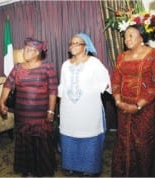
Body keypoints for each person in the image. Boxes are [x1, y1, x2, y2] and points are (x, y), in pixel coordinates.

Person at [0, 37, 58, 176]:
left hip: (40, 114)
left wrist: (51, 110)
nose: (24, 51)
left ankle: (41, 170)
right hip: (22, 114)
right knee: (24, 141)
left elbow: (53, 90)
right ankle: (27, 168)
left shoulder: (47, 67)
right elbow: (7, 85)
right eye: (24, 48)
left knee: (40, 142)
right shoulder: (18, 67)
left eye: (28, 49)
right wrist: (1, 102)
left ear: (37, 52)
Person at [58, 33, 111, 176]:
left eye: (77, 43)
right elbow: (62, 87)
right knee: (69, 134)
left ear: (85, 46)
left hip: (89, 109)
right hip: (68, 109)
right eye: (71, 43)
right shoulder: (65, 65)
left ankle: (89, 168)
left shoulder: (94, 63)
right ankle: (70, 165)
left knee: (89, 135)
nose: (73, 46)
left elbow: (106, 82)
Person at [111, 24, 155, 177]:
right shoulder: (122, 56)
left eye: (131, 35)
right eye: (125, 36)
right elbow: (116, 80)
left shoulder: (153, 54)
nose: (127, 39)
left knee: (142, 143)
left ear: (141, 36)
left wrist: (138, 106)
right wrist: (118, 102)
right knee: (123, 141)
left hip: (145, 108)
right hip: (123, 106)